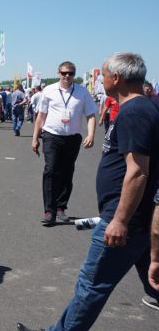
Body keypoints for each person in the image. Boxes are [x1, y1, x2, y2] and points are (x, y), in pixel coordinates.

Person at [17, 52, 159, 331]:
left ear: (116, 78)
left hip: (126, 220)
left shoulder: (136, 112)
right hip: (137, 220)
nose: (101, 81)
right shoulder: (139, 109)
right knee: (154, 281)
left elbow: (137, 172)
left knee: (91, 285)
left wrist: (119, 220)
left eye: (104, 75)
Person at [32, 62, 97, 224]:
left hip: (72, 138)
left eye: (71, 73)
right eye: (64, 73)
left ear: (74, 74)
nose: (67, 76)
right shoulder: (49, 90)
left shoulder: (82, 92)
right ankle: (49, 210)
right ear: (58, 73)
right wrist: (35, 138)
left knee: (67, 172)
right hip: (51, 135)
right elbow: (41, 116)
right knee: (51, 170)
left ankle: (61, 207)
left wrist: (91, 134)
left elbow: (90, 115)